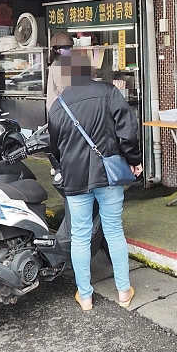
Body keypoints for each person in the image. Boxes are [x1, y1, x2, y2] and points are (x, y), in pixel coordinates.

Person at [47, 52, 143, 312]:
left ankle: (86, 296)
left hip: (75, 180)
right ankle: (124, 291)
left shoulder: (58, 105)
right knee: (113, 230)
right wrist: (133, 160)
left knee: (79, 235)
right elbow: (127, 131)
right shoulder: (108, 92)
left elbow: (54, 149)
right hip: (108, 175)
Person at [45, 32, 75, 113]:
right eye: (66, 48)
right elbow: (62, 89)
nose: (70, 50)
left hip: (59, 108)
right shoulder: (58, 65)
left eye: (70, 47)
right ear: (57, 50)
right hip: (59, 109)